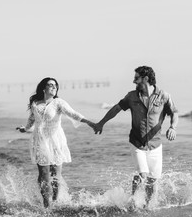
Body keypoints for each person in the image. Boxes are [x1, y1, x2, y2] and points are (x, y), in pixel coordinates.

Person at [94, 66, 178, 205]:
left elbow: (174, 113)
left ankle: (147, 207)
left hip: (155, 144)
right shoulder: (132, 96)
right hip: (137, 143)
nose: (134, 81)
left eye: (136, 78)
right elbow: (116, 109)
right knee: (143, 175)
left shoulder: (164, 96)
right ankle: (133, 200)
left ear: (145, 78)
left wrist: (173, 127)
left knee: (153, 180)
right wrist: (101, 123)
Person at [17, 77, 95, 208]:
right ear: (43, 88)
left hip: (56, 140)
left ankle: (55, 200)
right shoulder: (36, 103)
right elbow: (32, 119)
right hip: (40, 139)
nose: (54, 87)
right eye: (50, 85)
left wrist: (91, 123)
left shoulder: (58, 103)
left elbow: (73, 114)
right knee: (43, 173)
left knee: (55, 174)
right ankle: (46, 204)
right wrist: (25, 129)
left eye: (55, 86)